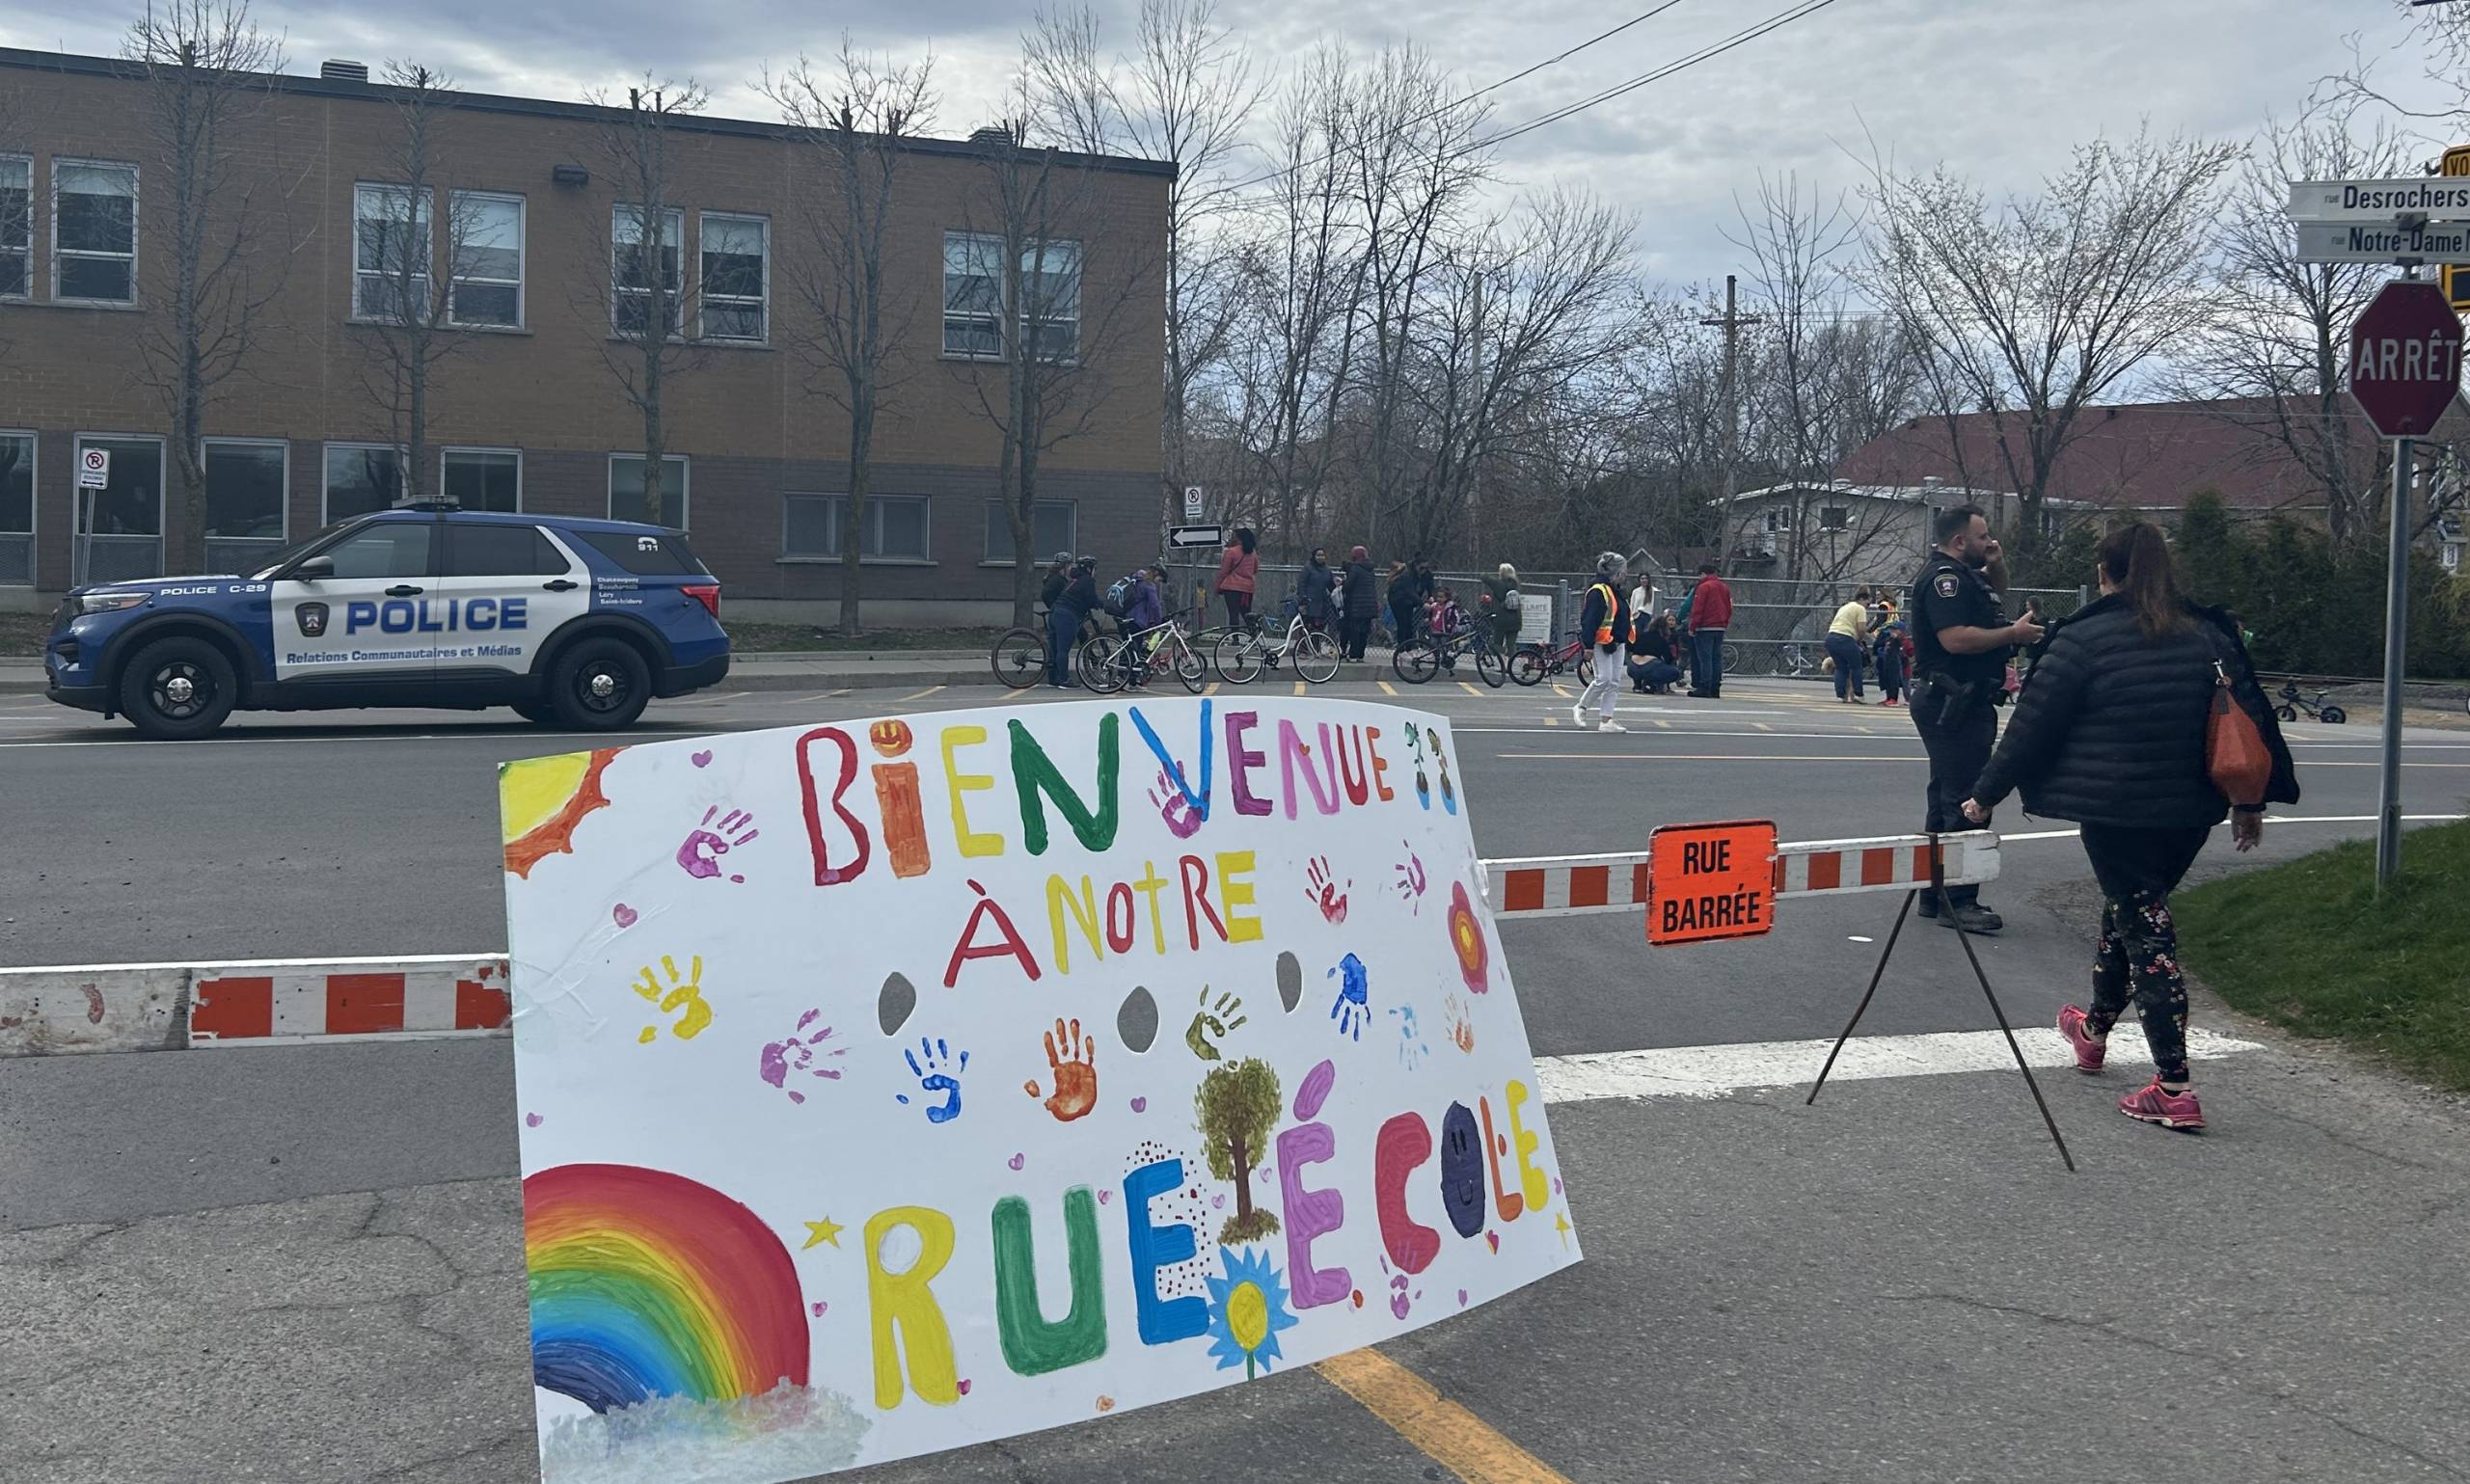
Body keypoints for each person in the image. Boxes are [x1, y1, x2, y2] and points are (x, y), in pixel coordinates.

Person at [1963, 523, 2297, 1132]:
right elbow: (2250, 719)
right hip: (2193, 809)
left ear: (2104, 572)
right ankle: (2090, 1032)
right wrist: (2251, 803)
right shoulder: (2209, 635)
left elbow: (2032, 726)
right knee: (2135, 909)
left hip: (2116, 810)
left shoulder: (2085, 638)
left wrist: (1984, 796)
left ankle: (2174, 1087)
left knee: (2147, 931)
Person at [1908, 505, 2044, 931]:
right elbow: (1956, 640)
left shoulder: (1967, 576)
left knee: (1945, 796)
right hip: (1953, 702)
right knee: (1966, 798)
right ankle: (1959, 899)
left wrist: (1996, 562)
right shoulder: (1943, 580)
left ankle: (1934, 894)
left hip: (1964, 701)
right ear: (1960, 541)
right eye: (1984, 537)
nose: (1991, 542)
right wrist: (2013, 636)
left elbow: (1993, 595)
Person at [1572, 552, 1630, 732]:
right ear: (1617, 572)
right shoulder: (1599, 591)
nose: (1626, 574)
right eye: (1624, 570)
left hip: (1617, 641)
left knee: (1614, 681)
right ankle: (1581, 707)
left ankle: (1606, 720)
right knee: (1603, 679)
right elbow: (1589, 620)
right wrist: (1588, 645)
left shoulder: (1616, 591)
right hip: (1601, 642)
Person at [1048, 555, 1099, 688]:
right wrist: (1102, 605)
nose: (1095, 572)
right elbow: (1091, 598)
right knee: (1063, 649)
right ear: (1089, 569)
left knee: (1054, 648)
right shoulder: (1087, 580)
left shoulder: (1074, 580)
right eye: (1094, 569)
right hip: (1067, 615)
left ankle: (1053, 678)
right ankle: (1064, 680)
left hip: (1055, 612)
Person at [1686, 562, 1732, 698]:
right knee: (1716, 658)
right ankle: (1715, 687)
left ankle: (1704, 686)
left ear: (1703, 574)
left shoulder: (1703, 587)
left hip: (1705, 627)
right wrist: (1725, 622)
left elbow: (1698, 609)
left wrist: (1693, 626)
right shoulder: (1724, 587)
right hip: (1720, 626)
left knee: (1705, 658)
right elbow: (1729, 607)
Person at [1117, 564, 1166, 684]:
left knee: (1129, 648)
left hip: (1125, 616)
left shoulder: (1136, 579)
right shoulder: (1149, 585)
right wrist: (1158, 622)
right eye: (1160, 580)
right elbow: (1155, 605)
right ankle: (1125, 679)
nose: (1159, 583)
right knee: (1134, 649)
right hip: (1137, 620)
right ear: (1156, 574)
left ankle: (1126, 679)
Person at [1825, 586, 1873, 703]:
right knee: (1856, 666)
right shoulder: (1860, 608)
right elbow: (1862, 628)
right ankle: (1858, 694)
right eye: (1868, 604)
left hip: (1831, 637)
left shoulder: (1845, 606)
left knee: (1841, 667)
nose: (1868, 607)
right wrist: (1859, 639)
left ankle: (1841, 694)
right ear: (1862, 599)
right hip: (1845, 637)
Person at [1212, 527, 1260, 632]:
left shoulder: (1231, 552)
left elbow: (1223, 572)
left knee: (1233, 614)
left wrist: (1217, 587)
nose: (1231, 538)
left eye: (1233, 536)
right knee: (1247, 614)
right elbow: (1255, 569)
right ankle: (1253, 635)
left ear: (1238, 538)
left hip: (1232, 587)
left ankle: (1235, 638)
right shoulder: (1252, 553)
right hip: (1248, 588)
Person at [1627, 609, 1683, 693]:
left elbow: (1630, 647)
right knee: (1675, 673)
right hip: (1650, 665)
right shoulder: (1661, 639)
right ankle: (1651, 683)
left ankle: (1637, 684)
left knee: (1642, 669)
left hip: (1632, 667)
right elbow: (1668, 658)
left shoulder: (1643, 635)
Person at [1341, 546, 1378, 660]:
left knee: (1355, 631)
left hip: (1357, 605)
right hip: (1369, 605)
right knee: (1364, 631)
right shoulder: (1370, 570)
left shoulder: (1355, 568)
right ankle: (1360, 654)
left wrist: (1343, 583)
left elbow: (1349, 586)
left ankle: (1353, 654)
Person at [1481, 564, 1523, 654]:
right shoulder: (1516, 585)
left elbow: (1485, 578)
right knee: (1511, 644)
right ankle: (1510, 664)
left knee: (1496, 643)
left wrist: (1484, 573)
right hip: (1515, 619)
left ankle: (1500, 655)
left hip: (1501, 619)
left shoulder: (1499, 584)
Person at [1297, 548, 1337, 634]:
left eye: (1322, 555)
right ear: (1314, 556)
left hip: (1322, 604)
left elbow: (1331, 586)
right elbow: (1302, 584)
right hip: (1309, 603)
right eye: (1318, 555)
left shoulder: (1327, 570)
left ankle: (1316, 646)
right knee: (1308, 629)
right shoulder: (1308, 568)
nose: (1320, 557)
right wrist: (1303, 599)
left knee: (1319, 629)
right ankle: (1304, 646)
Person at [1874, 611, 1909, 708]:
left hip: (1894, 661)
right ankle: (1889, 697)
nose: (1892, 631)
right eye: (1892, 629)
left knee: (1894, 680)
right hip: (1887, 660)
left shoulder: (1900, 640)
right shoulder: (1889, 638)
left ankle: (1894, 699)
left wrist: (1896, 638)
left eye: (1895, 629)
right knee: (1887, 679)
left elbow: (1901, 649)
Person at [1386, 558, 1422, 647]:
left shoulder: (1411, 575)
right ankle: (1402, 647)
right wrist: (1421, 603)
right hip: (1399, 601)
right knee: (1403, 624)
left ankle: (1408, 646)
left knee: (1408, 625)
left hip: (1407, 602)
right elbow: (1409, 591)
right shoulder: (1403, 576)